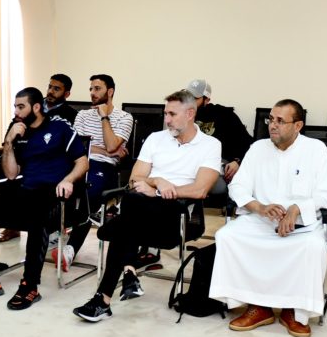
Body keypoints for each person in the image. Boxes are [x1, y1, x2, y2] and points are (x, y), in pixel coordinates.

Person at [73, 90, 220, 322]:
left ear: (190, 114)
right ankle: (106, 296)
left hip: (176, 214)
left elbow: (200, 190)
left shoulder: (210, 145)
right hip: (143, 209)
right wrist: (157, 181)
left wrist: (158, 191)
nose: (166, 119)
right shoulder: (155, 139)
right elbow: (135, 180)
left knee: (124, 220)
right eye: (165, 113)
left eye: (172, 114)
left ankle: (123, 276)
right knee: (133, 201)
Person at [208, 99, 327, 337]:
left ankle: (294, 311)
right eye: (270, 119)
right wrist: (259, 207)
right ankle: (258, 307)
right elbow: (237, 187)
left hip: (302, 224)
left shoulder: (316, 149)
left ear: (298, 125)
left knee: (313, 246)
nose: (272, 125)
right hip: (260, 221)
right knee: (226, 236)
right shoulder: (257, 148)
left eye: (280, 121)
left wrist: (297, 209)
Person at [0, 87, 88, 309]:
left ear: (36, 107)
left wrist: (68, 180)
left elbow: (82, 162)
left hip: (55, 194)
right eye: (15, 107)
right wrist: (9, 142)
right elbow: (11, 174)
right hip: (26, 190)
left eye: (21, 107)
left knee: (38, 217)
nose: (16, 112)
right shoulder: (18, 131)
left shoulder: (59, 126)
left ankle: (30, 285)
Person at [59, 74, 133, 270]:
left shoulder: (124, 117)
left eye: (97, 89)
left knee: (88, 193)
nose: (92, 93)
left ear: (110, 92)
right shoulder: (82, 115)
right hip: (78, 163)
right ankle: (59, 230)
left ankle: (70, 249)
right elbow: (77, 147)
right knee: (56, 187)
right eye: (91, 89)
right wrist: (108, 149)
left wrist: (104, 117)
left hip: (103, 168)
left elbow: (111, 146)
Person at [0, 73, 79, 244]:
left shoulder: (67, 116)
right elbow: (10, 139)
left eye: (56, 89)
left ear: (66, 93)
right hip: (24, 165)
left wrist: (68, 179)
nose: (51, 91)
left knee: (38, 209)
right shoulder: (24, 116)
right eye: (50, 87)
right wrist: (8, 142)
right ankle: (11, 223)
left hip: (51, 174)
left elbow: (77, 153)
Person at [186, 78, 253, 195]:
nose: (189, 102)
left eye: (195, 98)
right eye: (188, 97)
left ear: (207, 100)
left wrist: (237, 161)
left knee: (219, 188)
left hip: (215, 165)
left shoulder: (224, 115)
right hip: (187, 163)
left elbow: (247, 142)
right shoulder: (181, 114)